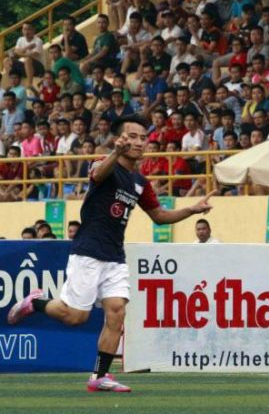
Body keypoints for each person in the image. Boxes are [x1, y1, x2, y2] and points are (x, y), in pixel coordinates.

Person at [7, 115, 214, 392]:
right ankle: (36, 303)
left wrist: (191, 210)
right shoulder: (105, 164)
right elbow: (96, 175)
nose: (139, 142)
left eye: (143, 138)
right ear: (120, 139)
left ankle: (99, 376)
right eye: (133, 136)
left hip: (115, 256)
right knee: (75, 317)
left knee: (117, 312)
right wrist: (115, 153)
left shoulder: (140, 182)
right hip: (88, 250)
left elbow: (159, 216)